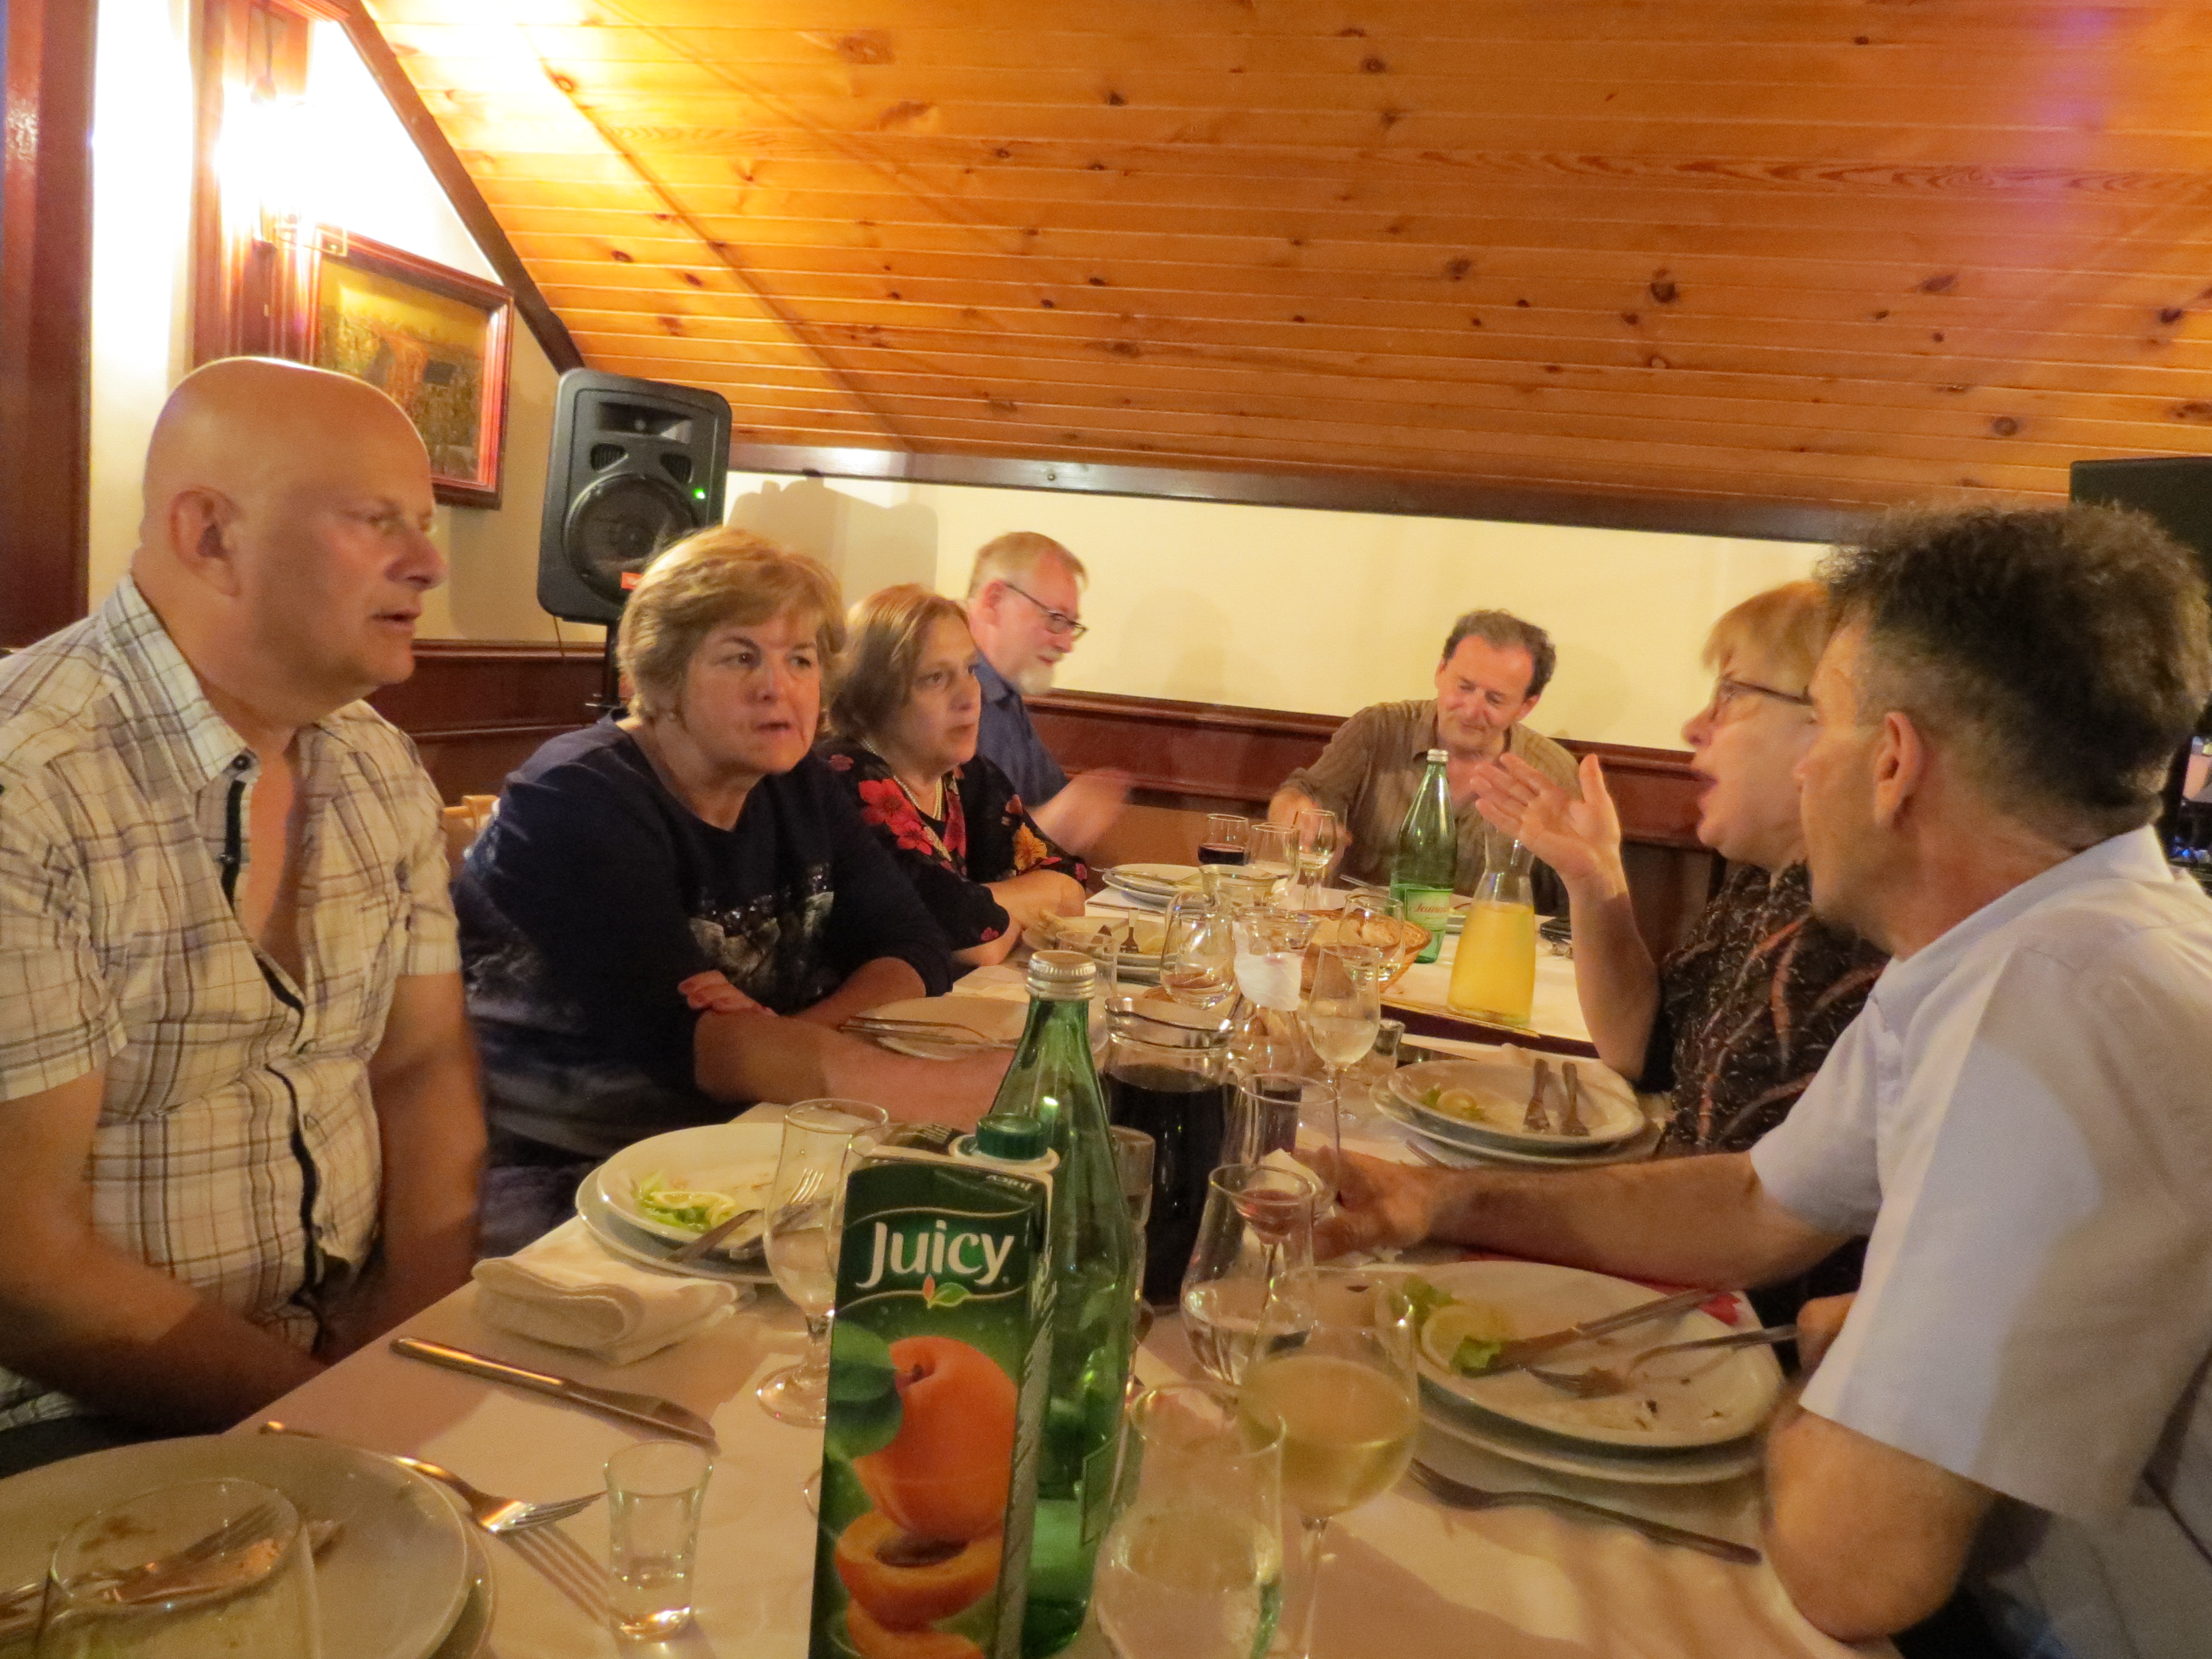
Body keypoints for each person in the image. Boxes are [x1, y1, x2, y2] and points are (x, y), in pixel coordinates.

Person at [1311, 503, 2212, 1655]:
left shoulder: (2050, 1018)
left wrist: (1834, 1381)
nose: (1803, 767)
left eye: (1821, 722)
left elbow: (1853, 1569)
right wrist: (1438, 1199)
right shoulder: (2015, 944)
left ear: (1892, 764)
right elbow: (1754, 1202)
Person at [0, 358, 486, 1472]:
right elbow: (24, 1270)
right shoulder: (30, 783)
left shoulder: (375, 759)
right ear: (210, 535)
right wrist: (341, 1429)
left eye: (422, 524)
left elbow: (422, 1069)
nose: (430, 564)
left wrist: (409, 1358)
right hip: (73, 1417)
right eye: (377, 521)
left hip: (346, 1360)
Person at [456, 530, 1006, 1255]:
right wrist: (923, 1086)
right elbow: (692, 1044)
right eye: (741, 657)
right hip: (566, 1178)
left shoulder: (800, 782)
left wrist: (781, 1039)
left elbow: (914, 948)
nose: (778, 687)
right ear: (661, 678)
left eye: (800, 659)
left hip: (745, 1140)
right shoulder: (574, 797)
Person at [1471, 581, 1887, 1158]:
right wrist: (1595, 881)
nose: (1694, 727)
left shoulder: (1843, 933)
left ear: (1831, 723)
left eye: (1731, 694)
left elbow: (1734, 1193)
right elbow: (1643, 1052)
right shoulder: (1764, 883)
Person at [821, 585, 1088, 967]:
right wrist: (1012, 909)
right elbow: (975, 942)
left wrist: (978, 906)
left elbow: (1069, 886)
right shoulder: (847, 777)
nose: (969, 697)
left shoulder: (969, 775)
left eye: (970, 670)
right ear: (873, 695)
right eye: (935, 678)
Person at [1269, 609, 1579, 906]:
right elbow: (1301, 793)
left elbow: (1572, 892)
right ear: (1441, 671)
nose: (1472, 710)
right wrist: (1295, 815)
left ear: (1526, 706)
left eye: (1494, 699)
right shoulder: (1378, 729)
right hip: (1357, 925)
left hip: (1479, 934)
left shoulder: (1550, 770)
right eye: (1464, 687)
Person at [963, 531, 1127, 855]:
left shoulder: (1005, 696)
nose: (1066, 644)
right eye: (1055, 619)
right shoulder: (947, 693)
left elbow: (1052, 801)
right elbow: (949, 854)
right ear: (994, 600)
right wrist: (1049, 826)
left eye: (1071, 626)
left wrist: (1072, 812)